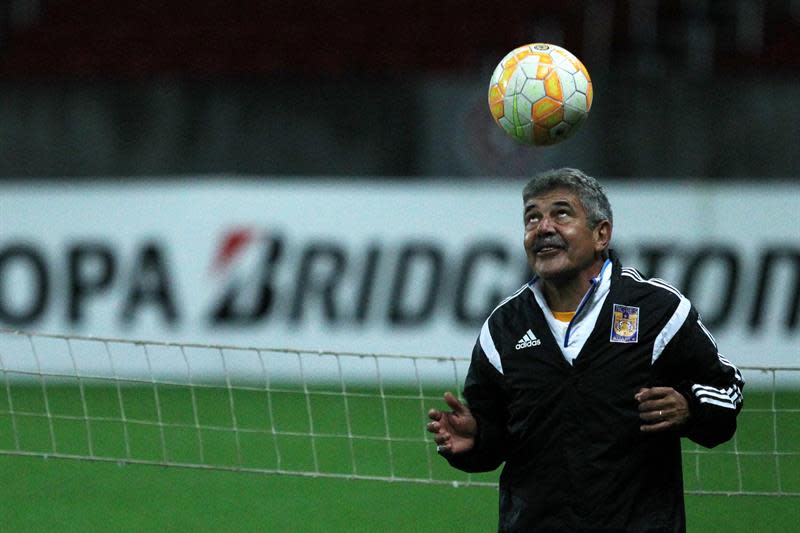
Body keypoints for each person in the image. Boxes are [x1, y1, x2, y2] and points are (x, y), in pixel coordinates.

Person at [426, 168, 743, 532]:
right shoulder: (504, 327)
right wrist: (477, 438)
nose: (543, 228)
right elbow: (497, 434)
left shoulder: (657, 310)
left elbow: (728, 390)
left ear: (601, 234)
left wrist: (690, 407)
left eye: (561, 213)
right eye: (532, 217)